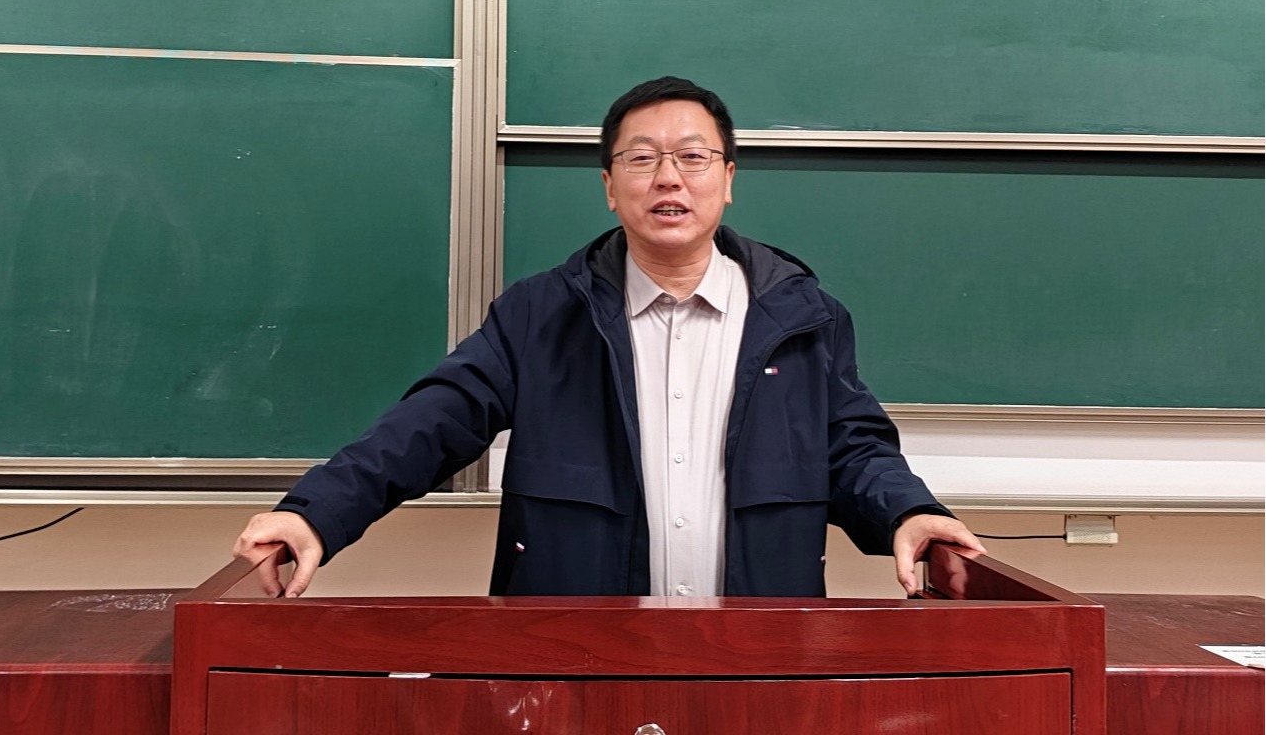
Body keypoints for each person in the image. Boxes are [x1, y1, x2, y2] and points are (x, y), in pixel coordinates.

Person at [234, 76, 984, 598]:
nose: (668, 178)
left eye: (692, 157)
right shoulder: (540, 315)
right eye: (641, 158)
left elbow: (852, 448)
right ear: (608, 186)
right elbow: (428, 424)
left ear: (727, 179)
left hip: (759, 653)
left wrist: (910, 511)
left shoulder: (803, 317)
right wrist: (314, 512)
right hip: (579, 654)